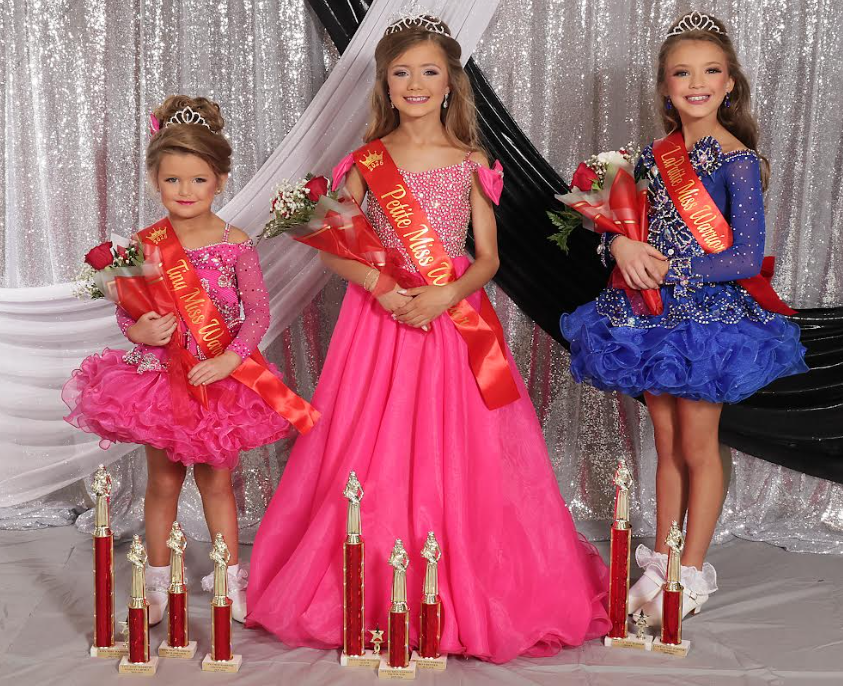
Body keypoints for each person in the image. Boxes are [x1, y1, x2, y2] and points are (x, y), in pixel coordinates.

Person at [246, 14, 610, 663]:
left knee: (459, 447)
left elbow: (487, 259)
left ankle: (452, 582)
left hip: (450, 320)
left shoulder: (471, 162)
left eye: (428, 71)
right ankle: (375, 586)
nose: (414, 82)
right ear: (385, 84)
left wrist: (445, 293)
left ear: (450, 84)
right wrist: (382, 287)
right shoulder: (365, 161)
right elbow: (332, 246)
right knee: (369, 444)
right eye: (401, 72)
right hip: (376, 324)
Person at [561, 11, 807, 622]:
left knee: (699, 445)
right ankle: (662, 561)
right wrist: (616, 245)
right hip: (648, 315)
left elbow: (747, 255)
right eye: (682, 72)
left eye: (711, 71)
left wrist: (678, 270)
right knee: (664, 442)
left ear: (729, 84)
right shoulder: (646, 157)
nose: (696, 82)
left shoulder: (738, 161)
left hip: (708, 323)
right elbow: (615, 225)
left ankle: (692, 572)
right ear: (666, 87)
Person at [63, 95, 311, 623]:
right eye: (173, 180)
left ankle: (228, 580)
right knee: (162, 483)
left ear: (220, 179)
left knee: (218, 482)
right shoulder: (144, 246)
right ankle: (155, 587)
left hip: (219, 381)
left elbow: (258, 316)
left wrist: (230, 361)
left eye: (198, 180)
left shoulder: (236, 242)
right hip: (161, 384)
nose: (185, 191)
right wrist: (141, 329)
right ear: (156, 179)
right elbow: (129, 315)